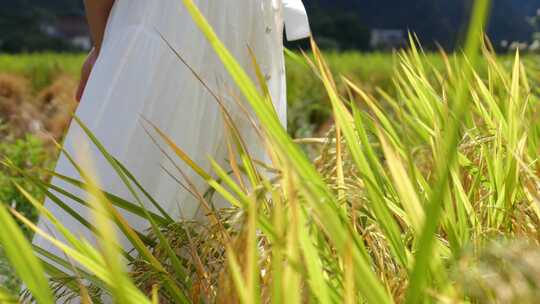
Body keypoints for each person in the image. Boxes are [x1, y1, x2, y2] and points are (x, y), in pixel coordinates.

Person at [32, 0, 310, 283]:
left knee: (125, 202)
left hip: (178, 25)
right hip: (230, 27)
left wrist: (104, 49)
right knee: (223, 216)